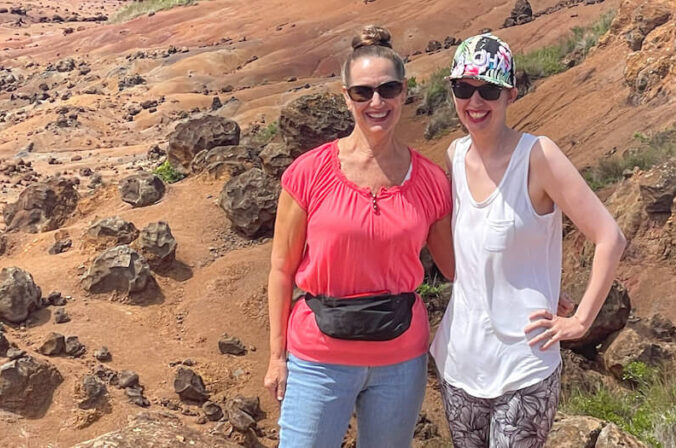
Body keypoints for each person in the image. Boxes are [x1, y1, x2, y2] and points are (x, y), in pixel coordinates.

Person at [430, 32, 627, 448]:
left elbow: (610, 237)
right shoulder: (453, 155)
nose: (475, 101)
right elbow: (466, 249)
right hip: (460, 363)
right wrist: (532, 282)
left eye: (489, 90)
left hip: (523, 367)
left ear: (511, 94)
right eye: (464, 88)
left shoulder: (539, 156)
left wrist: (581, 321)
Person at [264, 25, 454, 448]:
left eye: (388, 89)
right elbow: (281, 269)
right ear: (345, 94)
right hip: (318, 357)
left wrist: (534, 290)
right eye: (362, 92)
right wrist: (277, 357)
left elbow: (458, 267)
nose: (376, 102)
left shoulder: (430, 180)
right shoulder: (308, 173)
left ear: (404, 92)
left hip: (401, 360)